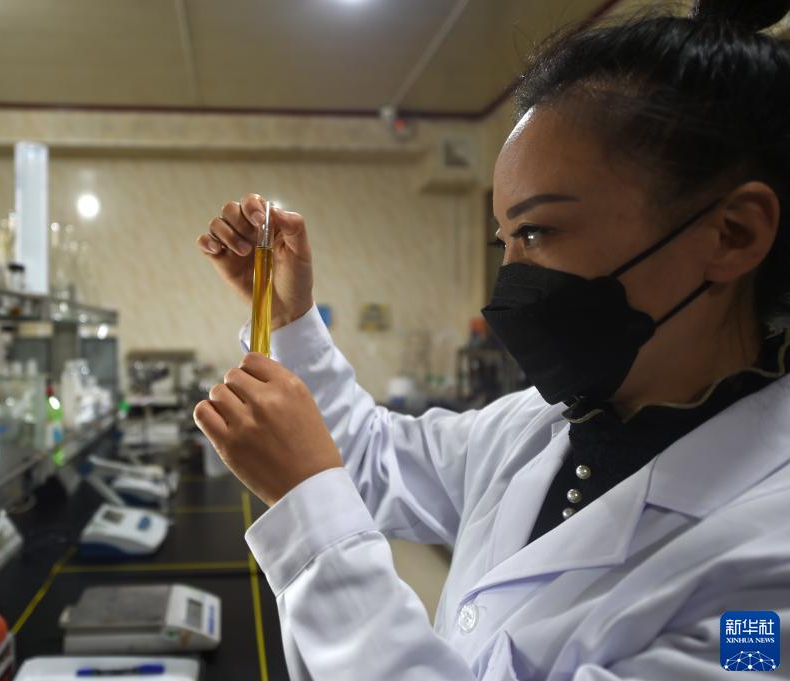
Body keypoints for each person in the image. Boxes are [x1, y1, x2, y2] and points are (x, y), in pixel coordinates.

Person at [193, 0, 790, 677]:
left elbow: (327, 473)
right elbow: (370, 459)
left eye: (537, 231)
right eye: (503, 239)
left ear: (732, 234)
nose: (511, 279)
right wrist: (288, 316)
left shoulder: (767, 592)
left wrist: (314, 520)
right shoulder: (543, 427)